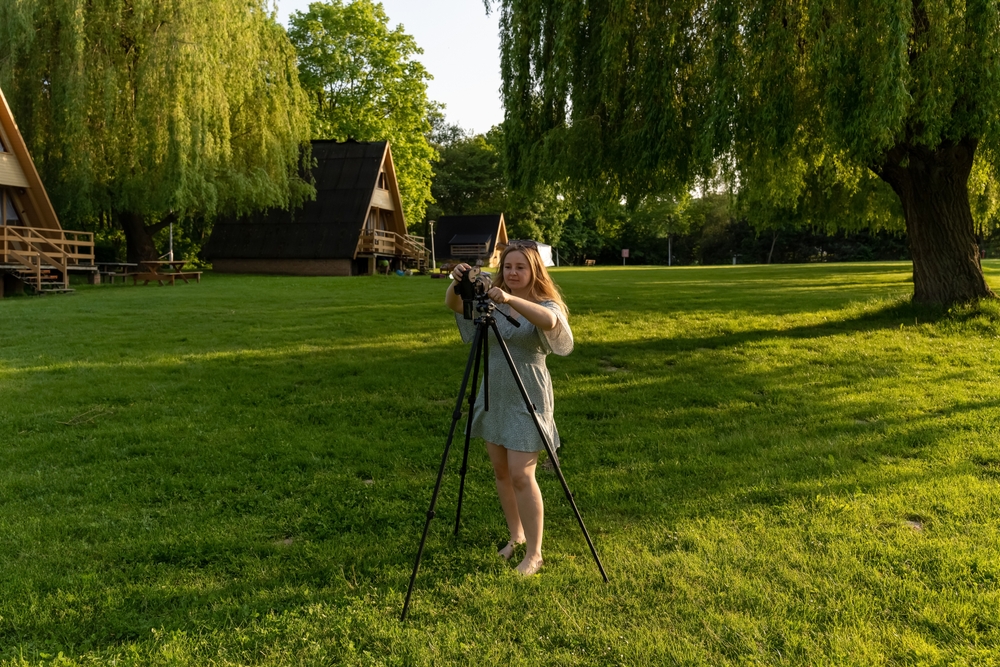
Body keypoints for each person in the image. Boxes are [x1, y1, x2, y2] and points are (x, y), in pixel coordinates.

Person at [444, 240, 573, 576]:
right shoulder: (490, 301)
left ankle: (535, 553)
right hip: (493, 394)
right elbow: (454, 305)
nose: (512, 273)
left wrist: (510, 298)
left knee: (521, 474)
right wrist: (457, 283)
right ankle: (515, 535)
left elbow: (549, 322)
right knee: (502, 472)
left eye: (520, 267)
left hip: (527, 396)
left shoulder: (544, 303)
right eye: (508, 267)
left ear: (534, 271)